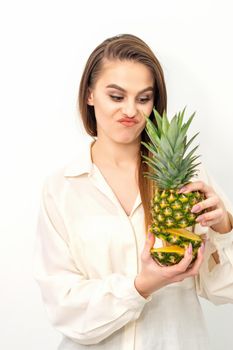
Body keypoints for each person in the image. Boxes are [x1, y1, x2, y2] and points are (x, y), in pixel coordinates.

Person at [33, 34, 233, 350]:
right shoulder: (62, 187)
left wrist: (224, 227)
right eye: (116, 96)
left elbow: (225, 290)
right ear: (89, 94)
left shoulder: (187, 178)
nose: (131, 111)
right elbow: (64, 308)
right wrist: (140, 287)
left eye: (143, 98)